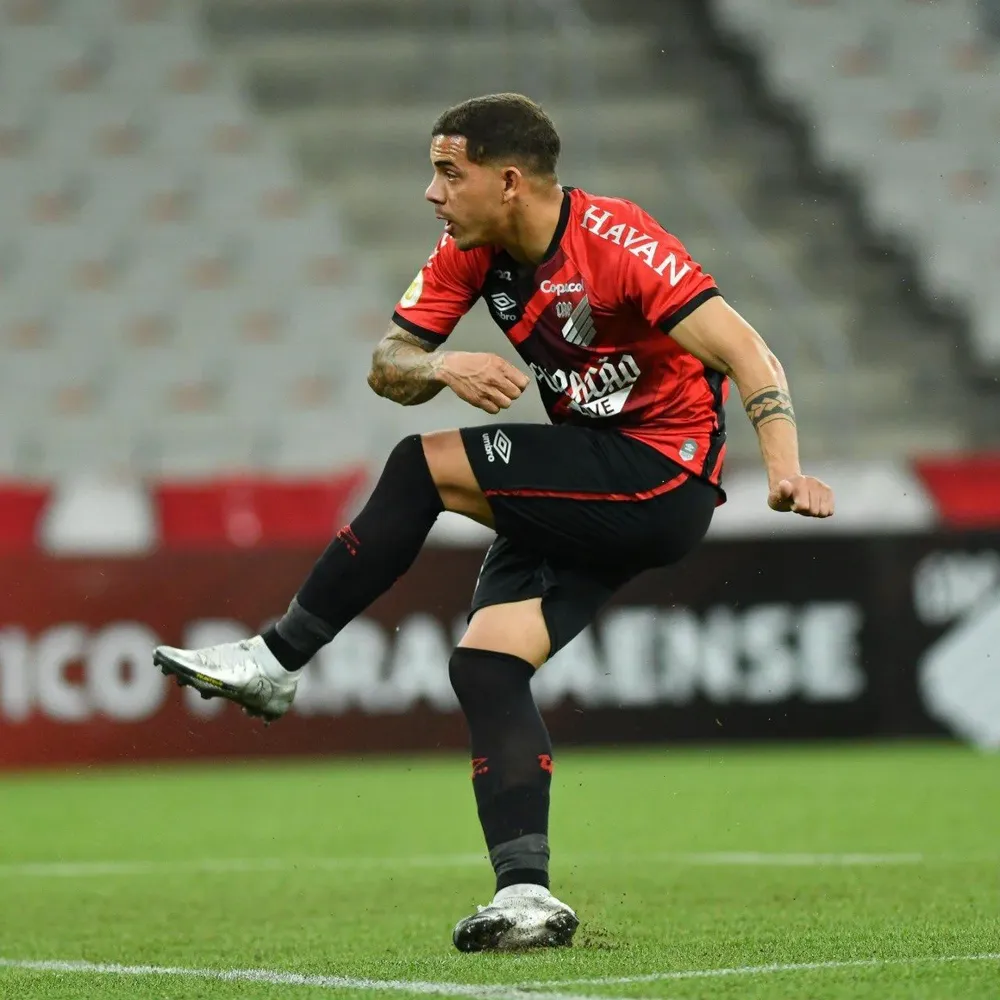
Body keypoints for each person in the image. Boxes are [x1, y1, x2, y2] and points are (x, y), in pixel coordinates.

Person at [153, 93, 834, 952]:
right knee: (485, 666)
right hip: (589, 480)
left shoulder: (619, 243)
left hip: (660, 474)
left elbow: (748, 351)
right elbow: (387, 366)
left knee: (419, 467)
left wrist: (784, 471)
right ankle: (528, 899)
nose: (432, 194)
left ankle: (275, 660)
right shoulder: (469, 257)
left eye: (449, 173)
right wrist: (442, 366)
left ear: (508, 181)